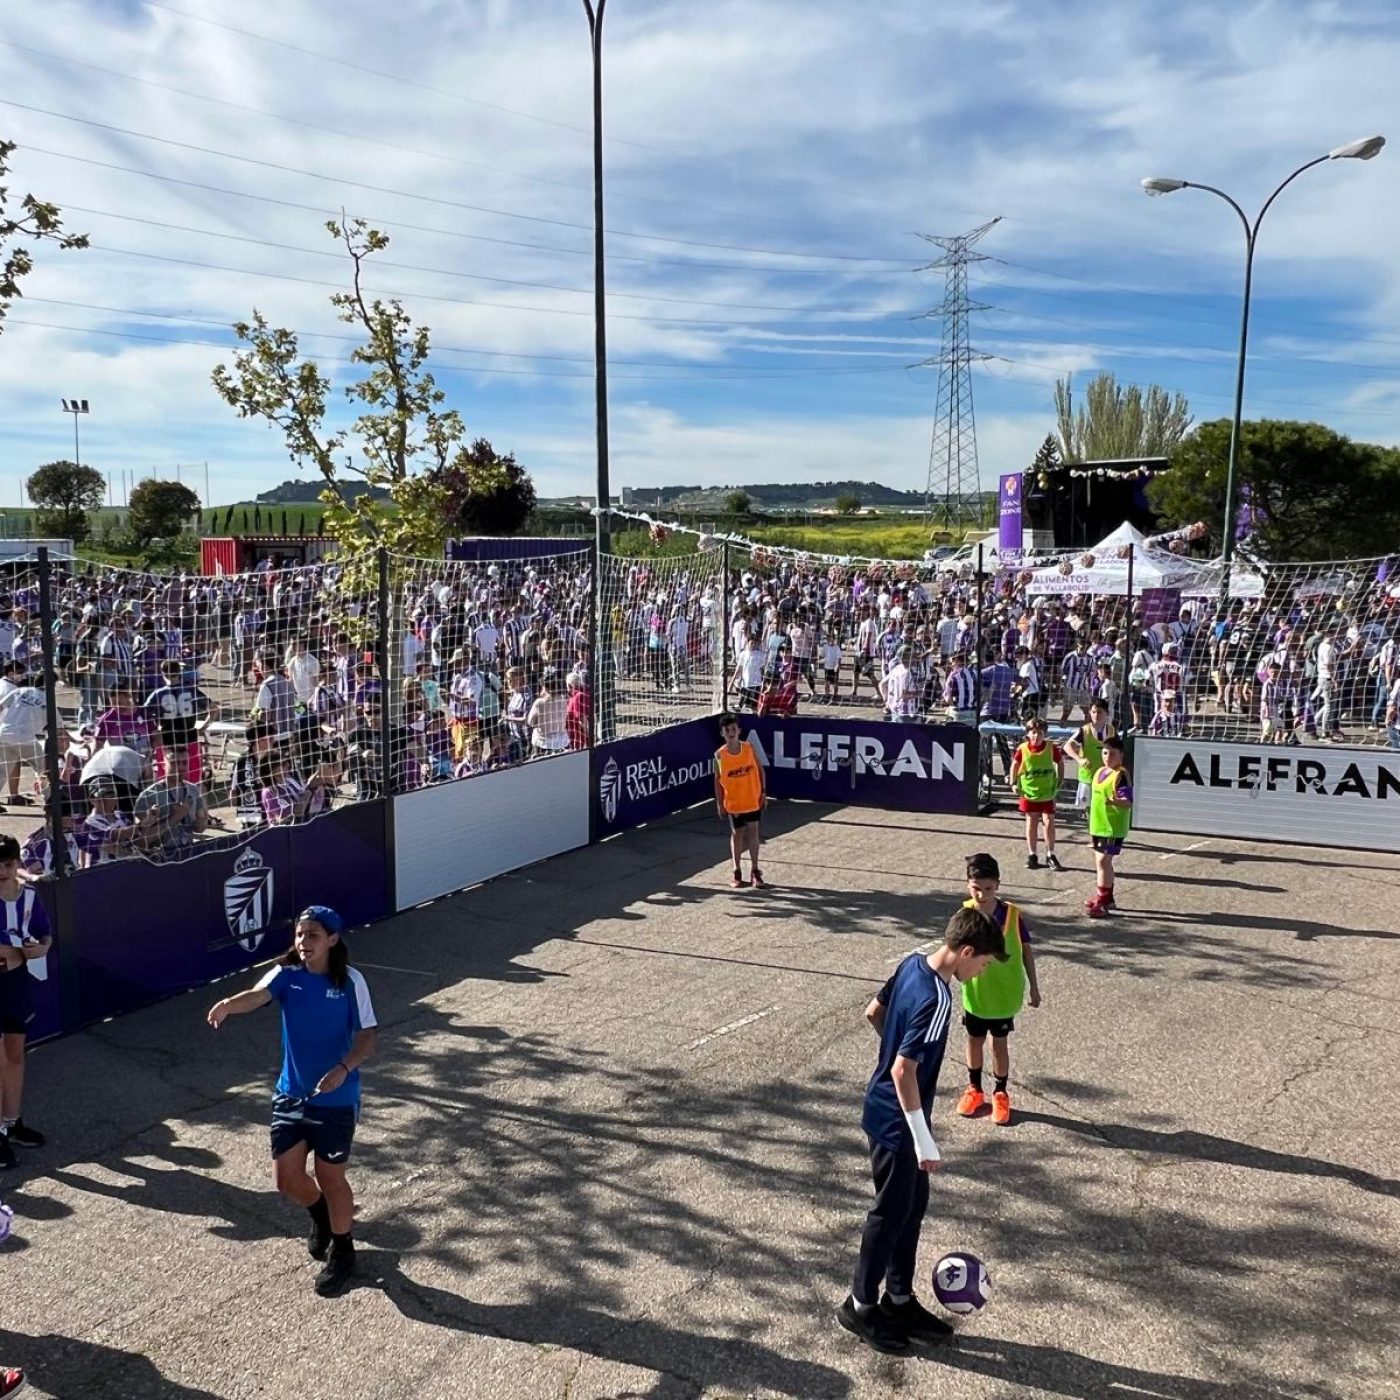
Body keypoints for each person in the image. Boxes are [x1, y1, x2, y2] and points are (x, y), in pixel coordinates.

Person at [838, 905, 1007, 1355]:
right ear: (965, 952)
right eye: (983, 964)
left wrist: (896, 1056)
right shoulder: (938, 998)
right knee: (889, 1213)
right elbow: (902, 1070)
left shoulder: (911, 962)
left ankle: (899, 1298)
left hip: (887, 1112)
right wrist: (923, 1137)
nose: (982, 972)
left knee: (911, 1209)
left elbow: (873, 1012)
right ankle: (860, 1305)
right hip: (898, 1124)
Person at [207, 906, 377, 1296]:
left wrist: (344, 1069)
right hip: (292, 1094)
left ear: (332, 939)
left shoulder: (351, 981)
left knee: (331, 1177)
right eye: (300, 935)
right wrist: (229, 1004)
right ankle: (319, 1213)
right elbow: (257, 995)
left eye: (313, 935)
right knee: (286, 1180)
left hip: (336, 1098)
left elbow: (369, 1037)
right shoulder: (286, 975)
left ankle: (344, 1252)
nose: (303, 942)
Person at [955, 853, 1040, 1127]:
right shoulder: (965, 914)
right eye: (975, 888)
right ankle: (974, 1089)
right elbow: (953, 953)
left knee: (999, 1045)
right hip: (976, 993)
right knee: (973, 1041)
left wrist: (1034, 988)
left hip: (1004, 994)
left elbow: (1026, 951)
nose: (981, 895)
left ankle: (1001, 1092)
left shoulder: (1012, 916)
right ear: (968, 885)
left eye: (988, 889)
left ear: (998, 885)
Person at [0, 833, 52, 1171]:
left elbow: (44, 932)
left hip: (16, 982)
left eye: (7, 864)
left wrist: (42, 947)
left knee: (16, 1055)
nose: (2, 871)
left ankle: (12, 1122)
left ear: (18, 863)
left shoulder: (29, 896)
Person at [713, 712, 766, 889]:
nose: (731, 732)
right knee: (738, 834)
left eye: (733, 729)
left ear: (739, 730)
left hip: (752, 798)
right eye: (727, 730)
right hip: (734, 803)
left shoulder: (749, 748)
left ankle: (755, 871)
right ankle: (736, 871)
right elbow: (717, 780)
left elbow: (760, 770)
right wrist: (719, 802)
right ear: (722, 733)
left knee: (753, 833)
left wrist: (763, 793)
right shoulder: (719, 756)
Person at [1086, 735, 1133, 918]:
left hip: (1112, 827)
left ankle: (1102, 901)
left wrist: (1115, 801)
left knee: (1103, 861)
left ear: (1120, 755)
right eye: (1105, 753)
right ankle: (1108, 898)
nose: (1108, 757)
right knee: (1102, 863)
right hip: (1098, 825)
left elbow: (1128, 801)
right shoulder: (1099, 772)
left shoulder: (1120, 775)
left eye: (1112, 754)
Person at [1009, 716, 1063, 870]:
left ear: (1044, 734)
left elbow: (1059, 762)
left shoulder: (1051, 748)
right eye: (1033, 732)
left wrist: (1060, 779)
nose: (1036, 736)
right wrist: (1013, 782)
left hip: (1047, 793)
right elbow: (1015, 764)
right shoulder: (1023, 748)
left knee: (1049, 822)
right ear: (1028, 734)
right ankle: (1032, 854)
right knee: (1032, 823)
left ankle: (1050, 854)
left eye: (1039, 733)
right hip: (1029, 792)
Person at [1063, 699, 1116, 810]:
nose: (1096, 715)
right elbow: (1067, 746)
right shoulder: (1084, 731)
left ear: (1107, 713)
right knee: (1087, 810)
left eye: (1100, 712)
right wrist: (1079, 759)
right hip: (1088, 778)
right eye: (1093, 712)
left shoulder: (1111, 731)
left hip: (1105, 778)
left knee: (1103, 809)